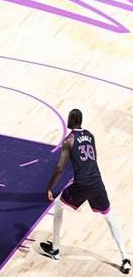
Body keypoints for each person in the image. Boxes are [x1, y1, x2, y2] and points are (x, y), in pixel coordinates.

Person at [40, 109, 131, 274]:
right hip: (97, 182)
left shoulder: (69, 140)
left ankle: (55, 249)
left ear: (72, 120)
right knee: (109, 216)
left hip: (82, 184)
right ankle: (125, 258)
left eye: (69, 117)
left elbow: (60, 168)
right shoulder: (90, 135)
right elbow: (90, 160)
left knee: (58, 205)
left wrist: (50, 187)